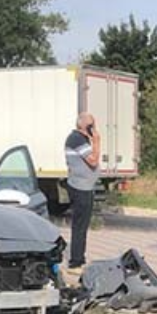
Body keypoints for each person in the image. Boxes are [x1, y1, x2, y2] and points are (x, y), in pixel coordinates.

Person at [63, 112, 101, 272]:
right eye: (93, 125)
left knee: (83, 225)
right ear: (88, 126)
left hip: (85, 186)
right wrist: (97, 141)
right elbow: (93, 161)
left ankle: (80, 258)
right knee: (79, 226)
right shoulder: (77, 139)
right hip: (80, 187)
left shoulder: (80, 139)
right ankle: (75, 262)